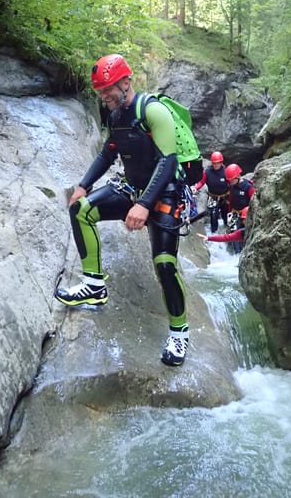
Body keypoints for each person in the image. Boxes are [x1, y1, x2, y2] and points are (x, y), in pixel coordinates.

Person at [54, 54, 189, 367]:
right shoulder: (114, 116)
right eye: (100, 91)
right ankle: (93, 285)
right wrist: (83, 186)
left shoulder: (152, 111)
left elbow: (168, 161)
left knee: (165, 264)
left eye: (108, 89)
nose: (104, 96)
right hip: (134, 189)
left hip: (166, 193)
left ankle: (179, 334)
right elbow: (107, 153)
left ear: (126, 83)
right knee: (81, 210)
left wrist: (144, 205)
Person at [192, 151, 229, 232]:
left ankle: (226, 228)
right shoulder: (208, 172)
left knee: (225, 213)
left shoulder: (225, 171)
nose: (216, 165)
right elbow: (202, 181)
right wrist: (196, 187)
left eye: (218, 163)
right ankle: (214, 232)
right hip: (213, 197)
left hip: (225, 196)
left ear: (221, 162)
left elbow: (231, 183)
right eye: (214, 163)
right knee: (213, 215)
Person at [224, 163, 255, 254]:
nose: (230, 182)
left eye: (231, 180)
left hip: (246, 215)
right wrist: (229, 212)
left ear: (237, 176)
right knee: (234, 234)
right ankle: (237, 254)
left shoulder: (248, 187)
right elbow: (231, 200)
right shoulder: (232, 186)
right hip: (235, 214)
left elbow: (254, 202)